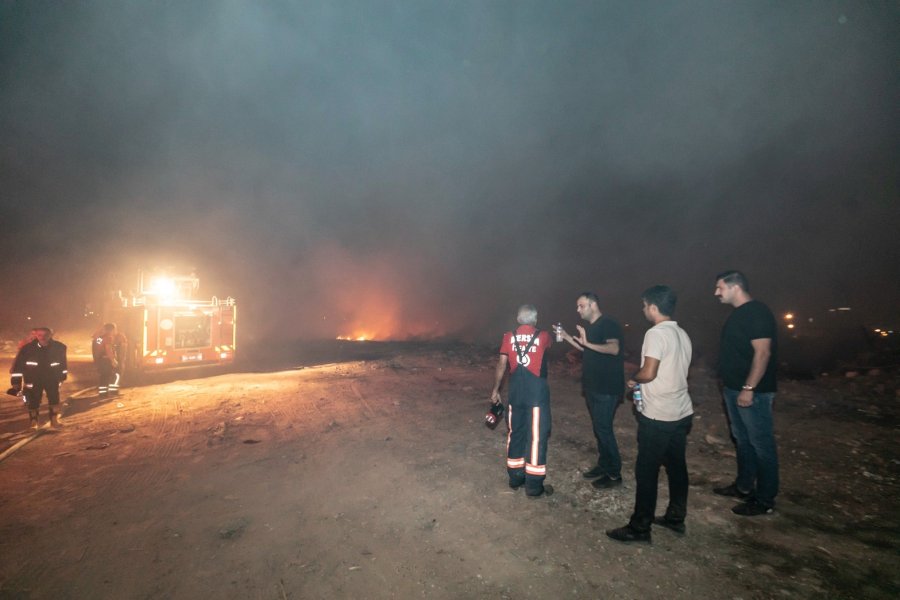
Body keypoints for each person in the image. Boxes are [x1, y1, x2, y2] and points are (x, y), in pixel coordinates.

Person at [606, 286, 693, 543]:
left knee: (647, 471)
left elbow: (649, 371)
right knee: (677, 466)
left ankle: (640, 527)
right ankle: (676, 517)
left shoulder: (656, 334)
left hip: (659, 416)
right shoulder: (682, 333)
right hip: (681, 411)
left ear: (653, 307)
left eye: (644, 306)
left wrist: (633, 381)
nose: (643, 310)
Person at [713, 270, 779, 516]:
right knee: (742, 439)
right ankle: (743, 486)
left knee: (761, 444)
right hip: (733, 389)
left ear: (735, 287)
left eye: (720, 287)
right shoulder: (739, 315)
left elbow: (763, 354)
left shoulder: (757, 313)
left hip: (754, 393)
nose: (716, 292)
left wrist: (749, 388)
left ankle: (764, 499)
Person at [556, 292, 625, 489]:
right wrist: (568, 337)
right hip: (593, 387)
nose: (578, 310)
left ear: (593, 304)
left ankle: (614, 474)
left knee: (604, 429)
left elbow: (613, 349)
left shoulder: (608, 323)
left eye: (581, 306)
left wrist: (587, 343)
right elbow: (589, 349)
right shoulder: (592, 327)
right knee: (599, 428)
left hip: (607, 387)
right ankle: (604, 465)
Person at [490, 304, 554, 498]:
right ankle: (534, 486)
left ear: (518, 319)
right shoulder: (543, 336)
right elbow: (551, 345)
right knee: (536, 437)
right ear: (535, 319)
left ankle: (515, 477)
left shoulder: (508, 336)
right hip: (536, 395)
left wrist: (495, 390)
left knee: (515, 433)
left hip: (516, 394)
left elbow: (502, 365)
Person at [9, 327, 68, 429]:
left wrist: (62, 376)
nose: (43, 338)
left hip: (52, 378)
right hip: (32, 379)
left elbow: (63, 363)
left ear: (51, 335)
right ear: (36, 335)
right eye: (40, 335)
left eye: (45, 335)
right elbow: (18, 366)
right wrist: (16, 381)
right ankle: (34, 422)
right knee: (33, 400)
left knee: (54, 399)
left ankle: (54, 420)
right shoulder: (27, 349)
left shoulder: (60, 347)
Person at [92, 323, 120, 396]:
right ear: (112, 330)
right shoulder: (109, 337)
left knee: (103, 377)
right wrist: (113, 360)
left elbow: (96, 343)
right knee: (114, 376)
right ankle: (113, 392)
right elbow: (108, 350)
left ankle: (103, 393)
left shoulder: (100, 338)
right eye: (115, 329)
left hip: (101, 360)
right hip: (107, 361)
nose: (115, 331)